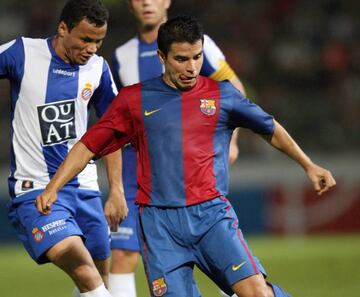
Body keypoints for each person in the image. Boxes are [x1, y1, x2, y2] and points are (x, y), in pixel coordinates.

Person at [35, 16, 336, 297]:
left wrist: (308, 165)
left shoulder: (222, 95)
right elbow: (88, 145)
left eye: (197, 57)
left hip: (211, 218)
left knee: (257, 292)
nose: (191, 67)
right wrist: (53, 187)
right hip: (159, 226)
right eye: (181, 59)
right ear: (162, 58)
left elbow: (269, 127)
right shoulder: (133, 100)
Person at [110, 1, 245, 296]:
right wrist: (116, 186)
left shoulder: (199, 45)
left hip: (189, 169)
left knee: (217, 254)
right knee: (120, 255)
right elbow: (117, 119)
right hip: (137, 171)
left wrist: (230, 142)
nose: (147, 2)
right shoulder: (121, 56)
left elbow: (233, 90)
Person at [2, 1, 127, 296]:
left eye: (98, 41)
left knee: (97, 281)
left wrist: (117, 190)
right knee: (87, 274)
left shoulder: (98, 69)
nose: (92, 48)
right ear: (62, 28)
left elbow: (113, 131)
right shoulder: (22, 52)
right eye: (85, 39)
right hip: (36, 190)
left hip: (86, 190)